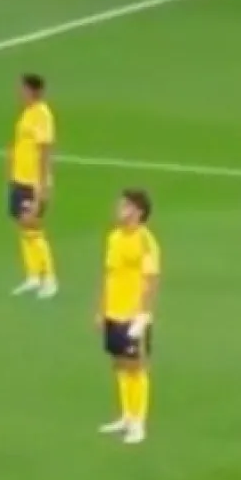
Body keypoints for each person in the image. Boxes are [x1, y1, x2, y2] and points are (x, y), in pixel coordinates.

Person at [97, 188, 160, 445]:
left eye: (124, 206)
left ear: (138, 212)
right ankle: (126, 415)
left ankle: (138, 423)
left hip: (133, 315)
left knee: (136, 367)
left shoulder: (145, 240)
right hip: (113, 311)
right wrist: (101, 309)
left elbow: (151, 279)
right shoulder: (114, 237)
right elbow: (109, 275)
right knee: (119, 363)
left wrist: (142, 314)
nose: (119, 209)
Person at [9, 73, 58, 298]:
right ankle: (33, 275)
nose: (19, 92)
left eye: (22, 89)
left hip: (33, 182)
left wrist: (44, 183)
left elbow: (45, 150)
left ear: (32, 91)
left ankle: (50, 278)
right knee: (23, 225)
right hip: (19, 179)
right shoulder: (26, 113)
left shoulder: (42, 115)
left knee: (34, 227)